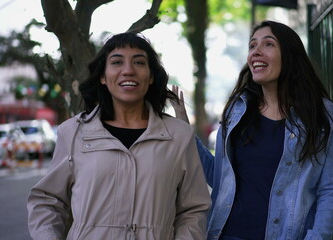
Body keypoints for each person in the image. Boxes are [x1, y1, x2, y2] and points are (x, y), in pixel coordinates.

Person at [171, 20, 333, 240]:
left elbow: (332, 190)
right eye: (252, 46)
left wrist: (317, 237)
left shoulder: (322, 115)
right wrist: (184, 132)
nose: (256, 52)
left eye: (268, 44)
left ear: (290, 55)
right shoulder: (237, 112)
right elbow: (217, 177)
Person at [27, 32, 211, 240]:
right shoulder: (73, 132)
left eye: (139, 62)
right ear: (103, 77)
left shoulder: (179, 135)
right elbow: (47, 200)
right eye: (117, 62)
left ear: (151, 77)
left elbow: (193, 209)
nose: (128, 70)